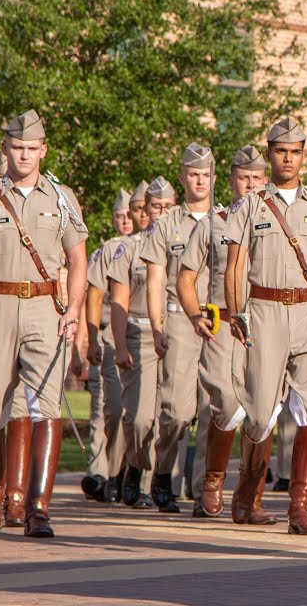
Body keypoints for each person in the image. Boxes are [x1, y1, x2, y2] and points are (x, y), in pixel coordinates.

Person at [0, 109, 89, 537]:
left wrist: (74, 310)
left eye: (32, 148)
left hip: (44, 307)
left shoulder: (62, 198)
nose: (25, 155)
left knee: (46, 405)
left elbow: (78, 260)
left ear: (43, 150)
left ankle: (38, 510)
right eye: (17, 148)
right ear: (5, 149)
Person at [224, 117, 307, 535]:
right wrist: (236, 311)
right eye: (281, 151)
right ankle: (246, 493)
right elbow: (235, 264)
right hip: (264, 309)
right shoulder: (251, 205)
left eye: (296, 151)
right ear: (270, 153)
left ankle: (301, 507)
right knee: (260, 411)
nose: (289, 159)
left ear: (303, 155)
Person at [177, 145, 277, 523]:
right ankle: (214, 477)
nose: (249, 185)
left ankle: (250, 498)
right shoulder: (213, 223)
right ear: (231, 181)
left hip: (266, 325)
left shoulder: (275, 220)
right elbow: (186, 276)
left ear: (264, 180)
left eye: (256, 178)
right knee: (228, 402)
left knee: (263, 412)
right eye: (242, 178)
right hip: (222, 324)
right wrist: (193, 314)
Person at [140, 145, 215, 512]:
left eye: (206, 175)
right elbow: (155, 280)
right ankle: (163, 473)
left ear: (213, 178)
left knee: (213, 409)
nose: (200, 181)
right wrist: (157, 327)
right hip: (180, 323)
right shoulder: (167, 224)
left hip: (217, 321)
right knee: (177, 412)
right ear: (183, 177)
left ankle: (203, 492)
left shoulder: (227, 221)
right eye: (193, 174)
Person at [109, 176, 176, 511]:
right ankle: (134, 464)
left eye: (166, 206)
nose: (160, 213)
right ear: (144, 210)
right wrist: (120, 346)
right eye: (155, 207)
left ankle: (155, 482)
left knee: (172, 415)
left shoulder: (186, 242)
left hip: (177, 333)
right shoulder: (130, 249)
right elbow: (118, 301)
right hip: (140, 335)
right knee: (139, 419)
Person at [80, 188, 134, 503]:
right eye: (119, 216)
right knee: (107, 408)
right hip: (108, 336)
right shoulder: (104, 252)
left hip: (140, 332)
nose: (124, 220)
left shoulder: (147, 246)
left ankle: (128, 472)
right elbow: (93, 297)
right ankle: (100, 472)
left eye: (129, 215)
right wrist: (86, 341)